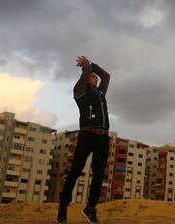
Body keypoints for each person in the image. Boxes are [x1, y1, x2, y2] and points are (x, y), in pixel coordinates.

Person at [57, 56, 111, 224]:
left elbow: (107, 76)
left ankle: (90, 209)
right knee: (75, 172)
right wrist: (86, 67)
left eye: (95, 76)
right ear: (85, 78)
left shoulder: (100, 92)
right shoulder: (79, 91)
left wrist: (93, 65)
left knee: (99, 174)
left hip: (103, 137)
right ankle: (63, 208)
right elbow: (86, 73)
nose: (95, 78)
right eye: (92, 76)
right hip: (87, 135)